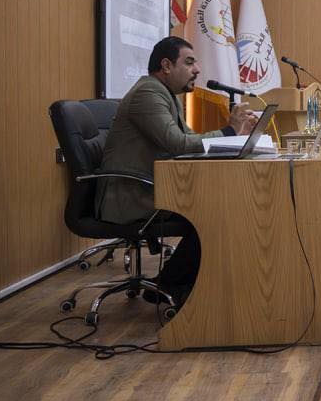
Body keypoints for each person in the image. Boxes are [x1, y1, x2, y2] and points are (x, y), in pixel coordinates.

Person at [96, 37, 257, 304]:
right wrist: (229, 131)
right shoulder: (148, 94)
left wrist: (233, 138)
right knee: (217, 212)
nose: (197, 69)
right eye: (190, 62)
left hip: (148, 187)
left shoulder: (164, 94)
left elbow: (188, 141)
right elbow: (177, 144)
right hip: (131, 196)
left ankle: (177, 282)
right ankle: (172, 285)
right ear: (166, 65)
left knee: (221, 205)